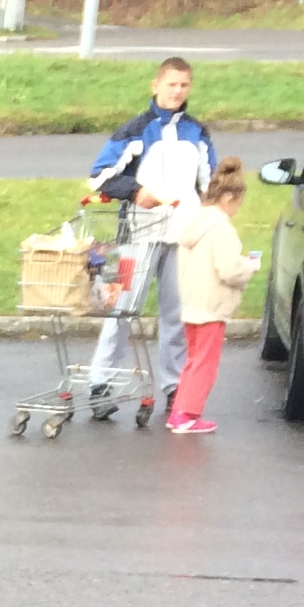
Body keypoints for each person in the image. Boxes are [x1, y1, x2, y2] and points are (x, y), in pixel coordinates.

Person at [87, 58, 217, 420]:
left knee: (177, 313)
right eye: (171, 84)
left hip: (182, 236)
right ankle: (100, 383)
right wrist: (136, 191)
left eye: (184, 85)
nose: (177, 91)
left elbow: (209, 185)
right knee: (122, 308)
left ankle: (175, 387)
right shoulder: (135, 130)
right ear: (155, 86)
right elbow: (99, 176)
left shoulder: (197, 132)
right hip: (139, 234)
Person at [162, 160, 260, 435]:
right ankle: (187, 414)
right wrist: (250, 266)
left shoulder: (194, 224)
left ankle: (178, 411)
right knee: (206, 364)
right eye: (238, 203)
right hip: (211, 307)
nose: (237, 209)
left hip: (191, 304)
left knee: (193, 360)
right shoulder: (222, 229)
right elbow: (229, 270)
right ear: (228, 198)